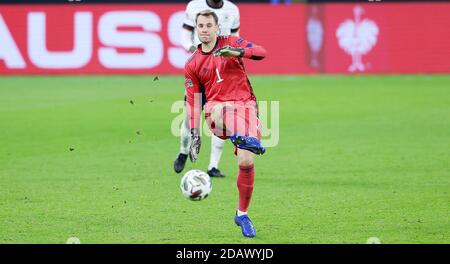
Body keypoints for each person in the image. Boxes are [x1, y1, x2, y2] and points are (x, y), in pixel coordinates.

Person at [185, 10, 266, 238]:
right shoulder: (192, 63)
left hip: (245, 106)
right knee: (219, 109)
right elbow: (193, 102)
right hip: (216, 111)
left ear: (217, 27)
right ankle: (240, 138)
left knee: (247, 160)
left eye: (209, 25)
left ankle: (242, 214)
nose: (204, 29)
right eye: (200, 25)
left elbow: (262, 52)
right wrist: (195, 134)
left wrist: (238, 52)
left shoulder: (231, 42)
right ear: (196, 28)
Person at [174, 0, 241, 178]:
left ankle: (213, 166)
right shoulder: (194, 6)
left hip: (222, 73)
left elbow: (235, 39)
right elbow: (185, 34)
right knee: (190, 117)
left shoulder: (232, 10)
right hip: (200, 71)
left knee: (220, 120)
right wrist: (193, 50)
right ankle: (183, 151)